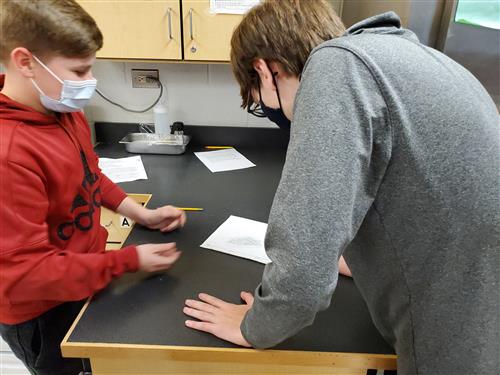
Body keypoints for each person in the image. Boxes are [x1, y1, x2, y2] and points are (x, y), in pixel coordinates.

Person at [183, 1, 499, 374]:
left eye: (259, 103)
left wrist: (257, 326)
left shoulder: (334, 68)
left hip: (454, 324)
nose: (271, 113)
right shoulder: (406, 56)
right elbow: (414, 183)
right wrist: (363, 259)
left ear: (265, 71)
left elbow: (304, 266)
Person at [0, 1, 185, 374]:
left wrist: (138, 213)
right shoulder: (9, 154)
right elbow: (26, 273)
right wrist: (128, 261)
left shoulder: (62, 110)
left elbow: (89, 175)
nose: (88, 82)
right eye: (79, 70)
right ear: (25, 62)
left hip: (85, 276)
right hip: (41, 309)